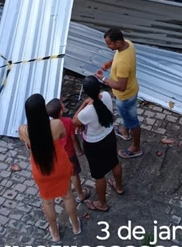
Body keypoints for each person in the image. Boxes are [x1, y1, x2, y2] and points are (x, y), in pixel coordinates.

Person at [19, 94, 80, 239]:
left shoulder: (23, 130)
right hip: (59, 165)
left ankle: (55, 233)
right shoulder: (56, 125)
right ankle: (76, 226)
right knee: (68, 196)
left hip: (41, 169)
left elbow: (26, 144)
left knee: (48, 202)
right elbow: (63, 135)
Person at [73, 77, 123, 212]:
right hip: (109, 135)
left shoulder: (86, 112)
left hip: (94, 144)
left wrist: (84, 103)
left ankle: (102, 203)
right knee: (114, 162)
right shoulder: (106, 96)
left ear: (87, 93)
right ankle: (119, 187)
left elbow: (75, 121)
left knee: (99, 174)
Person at [96, 27, 142, 159]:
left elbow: (121, 86)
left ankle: (136, 148)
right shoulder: (128, 44)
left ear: (117, 42)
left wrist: (103, 79)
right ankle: (124, 131)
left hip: (125, 96)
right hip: (132, 89)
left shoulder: (123, 63)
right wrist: (110, 64)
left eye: (109, 44)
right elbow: (118, 57)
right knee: (126, 116)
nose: (108, 46)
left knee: (133, 121)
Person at [46, 98, 89, 204]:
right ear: (61, 111)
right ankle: (80, 194)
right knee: (74, 174)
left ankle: (61, 193)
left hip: (56, 155)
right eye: (62, 104)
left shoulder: (48, 125)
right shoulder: (68, 122)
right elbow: (73, 138)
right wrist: (79, 150)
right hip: (69, 154)